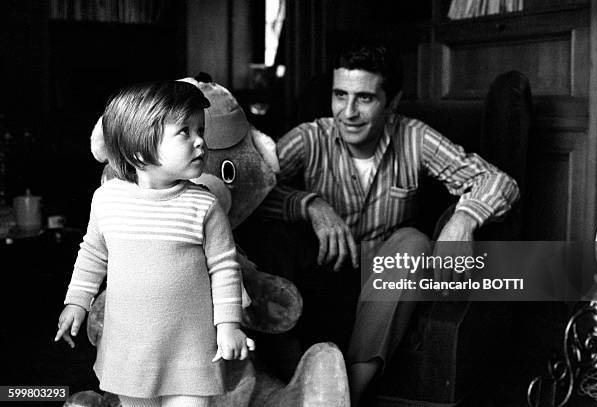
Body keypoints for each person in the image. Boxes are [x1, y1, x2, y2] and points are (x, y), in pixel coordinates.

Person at [255, 43, 520, 405]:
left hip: (381, 273)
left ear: (391, 103)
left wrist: (464, 218)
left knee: (413, 242)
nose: (348, 112)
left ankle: (348, 398)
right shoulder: (310, 137)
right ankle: (290, 387)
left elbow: (500, 182)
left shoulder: (414, 136)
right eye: (340, 95)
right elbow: (248, 194)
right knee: (270, 240)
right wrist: (310, 205)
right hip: (315, 268)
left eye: (364, 98)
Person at [54, 80, 255, 407]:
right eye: (185, 132)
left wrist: (228, 325)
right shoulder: (107, 200)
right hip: (131, 349)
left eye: (201, 130)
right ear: (137, 147)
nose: (201, 142)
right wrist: (77, 301)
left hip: (190, 349)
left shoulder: (203, 205)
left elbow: (224, 267)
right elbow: (92, 253)